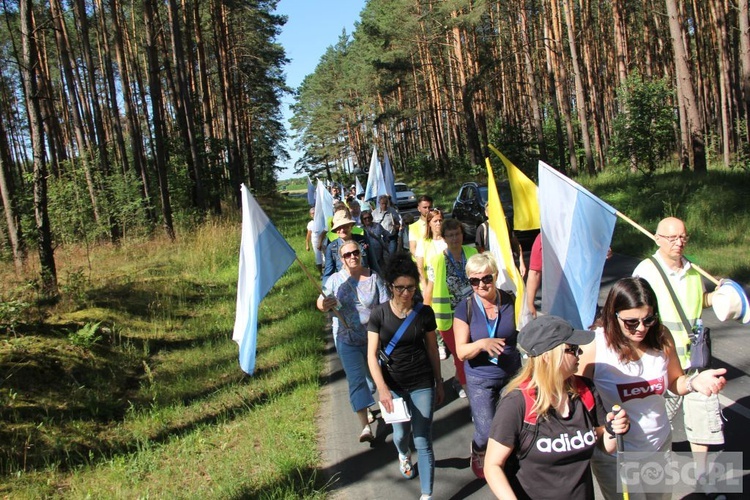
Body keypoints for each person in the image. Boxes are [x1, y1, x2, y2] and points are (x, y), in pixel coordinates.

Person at [577, 277, 727, 500]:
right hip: (617, 454)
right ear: (613, 315)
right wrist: (601, 434)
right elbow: (577, 403)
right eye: (631, 322)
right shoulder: (594, 347)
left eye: (648, 319)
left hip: (658, 446)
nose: (641, 328)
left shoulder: (660, 336)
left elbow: (676, 382)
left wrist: (694, 383)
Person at [484, 315, 630, 500]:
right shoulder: (516, 403)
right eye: (572, 349)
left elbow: (606, 446)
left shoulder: (586, 391)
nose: (580, 354)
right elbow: (492, 465)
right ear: (548, 357)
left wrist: (614, 428)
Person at [631, 217, 724, 471]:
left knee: (702, 420)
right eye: (672, 238)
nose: (679, 243)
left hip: (696, 360)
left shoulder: (693, 270)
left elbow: (696, 302)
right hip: (660, 360)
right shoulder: (645, 271)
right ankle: (655, 472)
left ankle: (703, 478)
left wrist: (718, 297)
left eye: (683, 237)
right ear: (657, 239)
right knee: (657, 422)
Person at [367, 253, 444, 500]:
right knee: (401, 435)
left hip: (422, 381)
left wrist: (439, 381)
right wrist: (382, 389)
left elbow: (432, 349)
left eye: (410, 287)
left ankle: (427, 494)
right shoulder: (379, 315)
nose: (406, 293)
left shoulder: (424, 313)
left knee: (423, 438)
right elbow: (371, 356)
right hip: (393, 385)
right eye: (400, 288)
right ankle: (402, 454)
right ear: (390, 286)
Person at [453, 252, 522, 478]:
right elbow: (462, 351)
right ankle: (478, 448)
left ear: (494, 276)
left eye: (486, 279)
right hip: (480, 378)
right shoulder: (465, 308)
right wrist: (482, 343)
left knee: (510, 428)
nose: (481, 285)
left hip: (512, 374)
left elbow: (523, 329)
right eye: (474, 280)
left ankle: (505, 470)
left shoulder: (510, 300)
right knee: (485, 432)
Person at [317, 241, 389, 443]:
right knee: (356, 381)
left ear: (361, 253)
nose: (352, 257)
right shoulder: (335, 281)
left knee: (375, 379)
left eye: (355, 252)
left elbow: (385, 306)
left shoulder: (374, 277)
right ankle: (365, 426)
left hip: (373, 339)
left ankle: (383, 407)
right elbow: (320, 302)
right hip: (346, 339)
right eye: (347, 255)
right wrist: (325, 304)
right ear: (341, 259)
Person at [424, 218, 477, 398]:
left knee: (472, 353)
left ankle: (457, 380)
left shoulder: (472, 253)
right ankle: (473, 401)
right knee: (462, 356)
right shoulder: (437, 260)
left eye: (458, 234)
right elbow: (429, 289)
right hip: (450, 318)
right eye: (451, 235)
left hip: (475, 313)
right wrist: (424, 315)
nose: (455, 238)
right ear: (444, 238)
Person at [475, 202, 526, 278]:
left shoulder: (505, 225)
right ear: (486, 213)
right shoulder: (482, 229)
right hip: (492, 270)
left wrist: (521, 263)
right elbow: (479, 251)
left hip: (509, 267)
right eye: (490, 211)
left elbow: (516, 244)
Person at [323, 210, 379, 279]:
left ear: (351, 226)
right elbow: (328, 274)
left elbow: (374, 266)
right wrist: (325, 288)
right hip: (345, 286)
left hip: (365, 283)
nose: (342, 230)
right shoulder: (332, 248)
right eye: (339, 227)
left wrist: (381, 283)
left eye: (345, 226)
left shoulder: (363, 241)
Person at [415, 208, 446, 291]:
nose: (438, 223)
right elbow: (420, 267)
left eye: (440, 220)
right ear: (429, 223)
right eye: (435, 221)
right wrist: (424, 286)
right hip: (430, 286)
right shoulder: (423, 242)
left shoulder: (448, 241)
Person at [525, 233, 543, 318]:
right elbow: (535, 273)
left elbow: (535, 273)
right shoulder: (543, 238)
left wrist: (530, 303)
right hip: (555, 297)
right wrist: (530, 303)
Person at [306, 207, 325, 276]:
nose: (314, 214)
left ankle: (326, 269)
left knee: (325, 256)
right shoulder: (310, 224)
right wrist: (307, 244)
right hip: (315, 242)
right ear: (310, 215)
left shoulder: (322, 221)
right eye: (312, 213)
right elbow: (308, 235)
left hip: (324, 241)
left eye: (315, 213)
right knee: (318, 257)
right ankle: (321, 273)